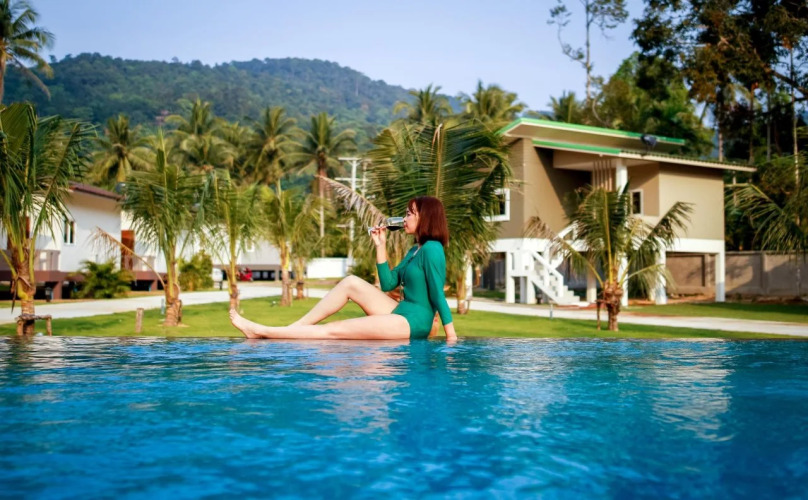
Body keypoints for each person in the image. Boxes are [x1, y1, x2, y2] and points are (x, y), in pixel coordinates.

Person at [229, 196, 457, 341]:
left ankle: (261, 331)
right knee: (350, 282)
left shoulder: (432, 249)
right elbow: (388, 284)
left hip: (414, 322)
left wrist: (451, 336)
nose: (404, 218)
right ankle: (294, 328)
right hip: (401, 311)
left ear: (425, 218)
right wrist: (380, 246)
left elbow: (438, 295)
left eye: (409, 214)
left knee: (335, 329)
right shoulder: (415, 249)